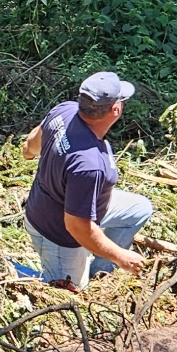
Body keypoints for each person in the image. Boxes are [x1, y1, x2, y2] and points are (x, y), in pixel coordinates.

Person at [22, 72, 152, 292]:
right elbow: (77, 227)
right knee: (67, 291)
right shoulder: (89, 165)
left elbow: (32, 144)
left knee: (139, 209)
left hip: (70, 207)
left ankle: (99, 271)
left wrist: (30, 152)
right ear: (115, 110)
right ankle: (8, 269)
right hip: (58, 234)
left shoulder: (64, 110)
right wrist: (121, 257)